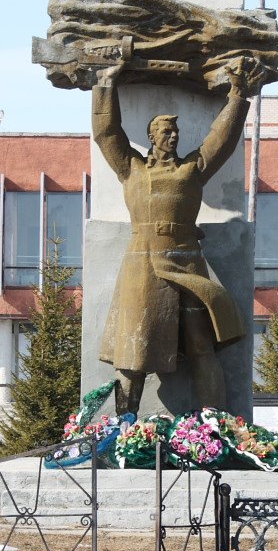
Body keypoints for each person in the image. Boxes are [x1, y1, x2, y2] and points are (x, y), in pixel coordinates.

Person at [93, 58, 251, 415]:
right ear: (152, 137)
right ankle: (123, 428)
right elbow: (106, 133)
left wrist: (238, 95)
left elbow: (221, 140)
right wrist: (105, 85)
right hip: (143, 265)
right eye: (166, 131)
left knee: (202, 347)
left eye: (176, 132)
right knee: (133, 353)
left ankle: (216, 426)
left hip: (187, 264)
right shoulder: (130, 168)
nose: (174, 136)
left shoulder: (191, 169)